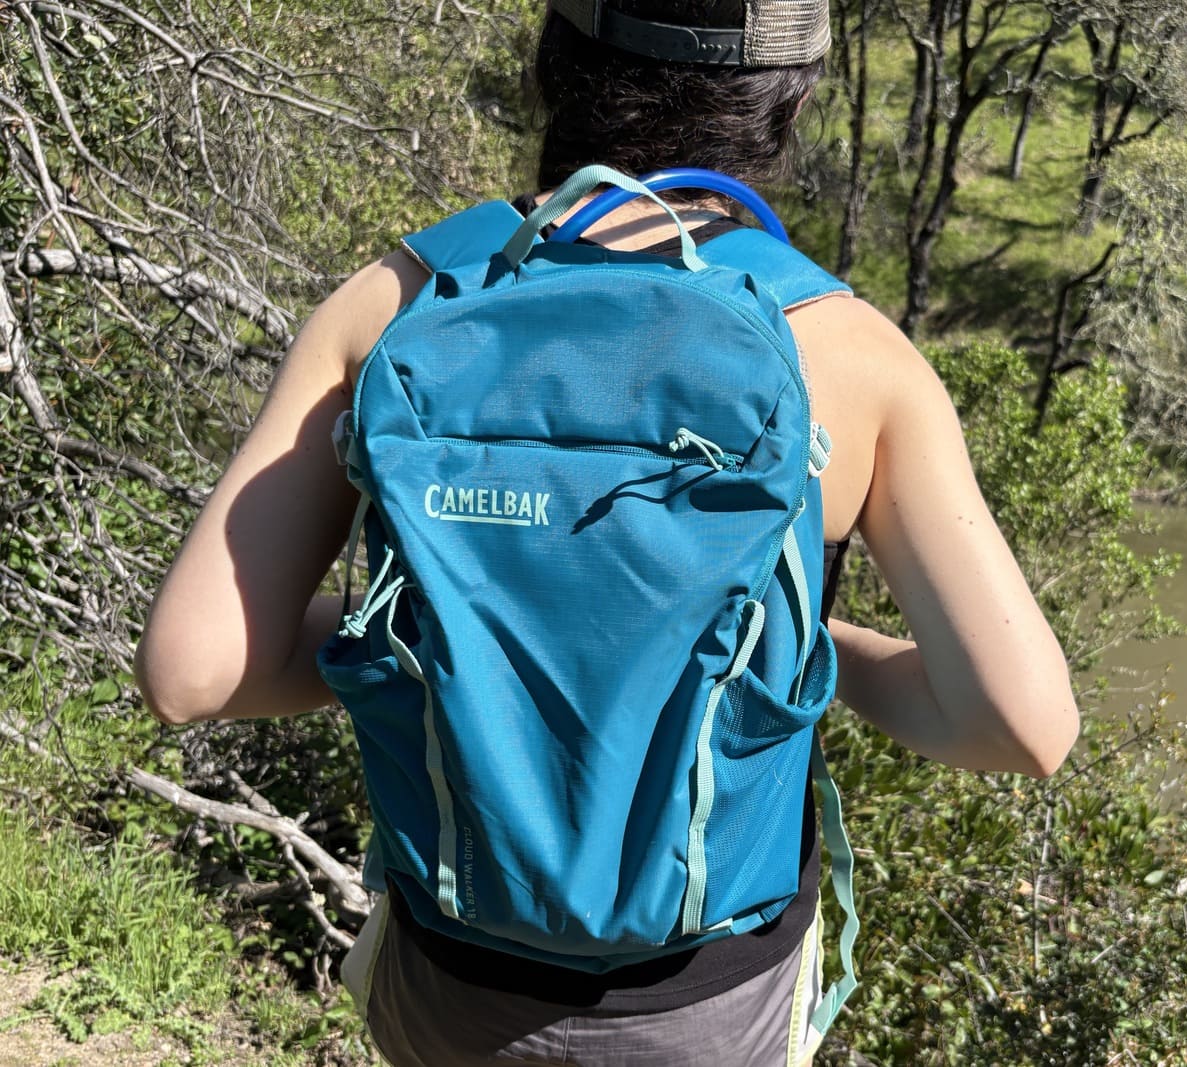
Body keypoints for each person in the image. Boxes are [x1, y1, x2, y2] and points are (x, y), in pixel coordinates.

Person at [134, 1, 1079, 1063]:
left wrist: (441, 636)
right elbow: (1019, 726)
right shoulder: (844, 352)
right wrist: (821, 650)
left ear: (550, 63)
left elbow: (193, 670)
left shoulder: (399, 299)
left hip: (454, 982)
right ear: (792, 99)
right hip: (709, 1001)